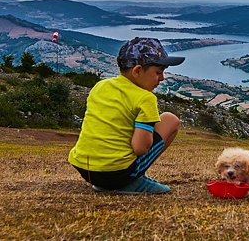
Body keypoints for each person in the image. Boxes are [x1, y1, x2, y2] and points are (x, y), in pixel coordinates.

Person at [68, 37, 185, 194]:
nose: (162, 78)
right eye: (158, 72)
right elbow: (140, 148)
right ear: (137, 71)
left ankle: (106, 183)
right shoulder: (145, 98)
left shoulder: (99, 86)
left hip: (85, 169)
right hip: (117, 173)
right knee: (170, 120)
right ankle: (134, 181)